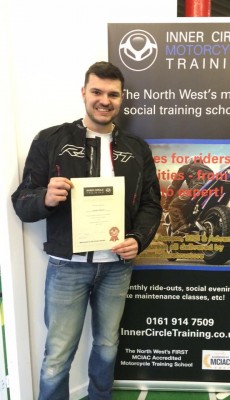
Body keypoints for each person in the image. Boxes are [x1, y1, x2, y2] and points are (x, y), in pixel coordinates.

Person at [11, 61, 162, 400]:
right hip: (67, 267)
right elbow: (22, 200)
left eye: (113, 94)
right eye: (97, 92)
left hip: (116, 268)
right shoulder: (51, 139)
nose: (104, 100)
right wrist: (45, 198)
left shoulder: (137, 149)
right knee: (57, 358)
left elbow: (152, 204)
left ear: (121, 99)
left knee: (108, 346)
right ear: (84, 93)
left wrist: (138, 239)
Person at [163, 156, 213, 234]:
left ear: (191, 161)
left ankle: (181, 227)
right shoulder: (209, 169)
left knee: (174, 205)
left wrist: (166, 203)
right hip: (211, 192)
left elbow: (174, 186)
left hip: (196, 189)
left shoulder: (186, 167)